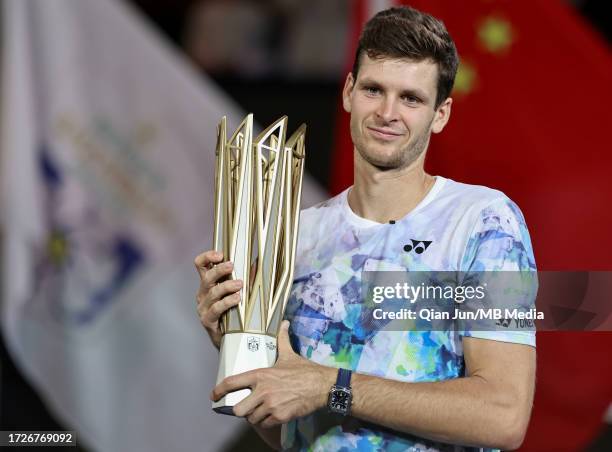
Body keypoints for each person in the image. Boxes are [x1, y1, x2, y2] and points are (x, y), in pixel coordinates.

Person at [195, 6, 536, 451]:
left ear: (441, 114)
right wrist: (233, 338)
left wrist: (329, 386)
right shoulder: (295, 238)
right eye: (374, 89)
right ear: (349, 93)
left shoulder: (486, 222)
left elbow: (503, 416)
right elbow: (291, 431)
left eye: (411, 98)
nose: (388, 113)